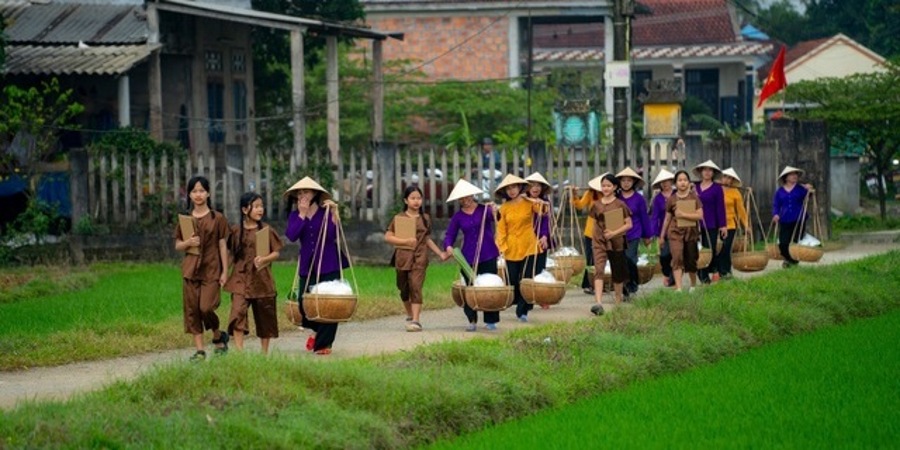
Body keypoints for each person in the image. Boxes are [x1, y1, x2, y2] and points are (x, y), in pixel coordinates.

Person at [285, 176, 348, 355]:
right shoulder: (294, 216)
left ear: (315, 194)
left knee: (330, 304)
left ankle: (323, 345)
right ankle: (316, 331)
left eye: (306, 192)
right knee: (303, 305)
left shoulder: (326, 212)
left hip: (329, 262)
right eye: (299, 193)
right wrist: (302, 214)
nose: (302, 196)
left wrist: (335, 216)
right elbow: (291, 236)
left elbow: (331, 237)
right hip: (307, 264)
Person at [173, 175, 230, 361]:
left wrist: (224, 271)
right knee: (192, 310)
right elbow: (178, 245)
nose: (198, 195)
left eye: (201, 191)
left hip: (212, 268)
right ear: (189, 195)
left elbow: (222, 245)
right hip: (191, 270)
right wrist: (188, 242)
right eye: (194, 191)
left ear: (208, 193)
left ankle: (217, 333)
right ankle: (200, 351)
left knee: (206, 307)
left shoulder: (217, 218)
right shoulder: (185, 220)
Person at [224, 192, 283, 354]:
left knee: (265, 316)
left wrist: (264, 259)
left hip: (262, 280)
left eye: (261, 206)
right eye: (256, 206)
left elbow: (276, 252)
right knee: (237, 313)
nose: (260, 210)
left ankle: (264, 354)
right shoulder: (236, 231)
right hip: (240, 278)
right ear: (245, 210)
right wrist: (223, 273)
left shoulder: (266, 230)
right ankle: (239, 353)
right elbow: (230, 254)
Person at [385, 185, 446, 332]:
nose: (416, 201)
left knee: (416, 286)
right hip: (403, 258)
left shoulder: (425, 218)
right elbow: (388, 236)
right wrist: (405, 242)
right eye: (413, 198)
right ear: (406, 200)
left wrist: (440, 253)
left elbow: (427, 239)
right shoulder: (399, 218)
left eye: (419, 198)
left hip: (420, 257)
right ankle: (410, 314)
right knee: (403, 288)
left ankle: (416, 320)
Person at [443, 179, 501, 331]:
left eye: (467, 197)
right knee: (469, 289)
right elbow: (450, 234)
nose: (465, 201)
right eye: (461, 199)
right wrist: (448, 246)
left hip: (488, 254)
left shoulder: (484, 209)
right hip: (467, 258)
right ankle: (472, 320)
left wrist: (496, 211)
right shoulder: (458, 217)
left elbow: (498, 218)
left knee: (489, 287)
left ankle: (491, 321)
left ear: (472, 195)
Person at [494, 174, 544, 322]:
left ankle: (523, 310)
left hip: (529, 244)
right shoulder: (503, 208)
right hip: (511, 247)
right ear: (505, 192)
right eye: (508, 189)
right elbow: (501, 229)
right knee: (513, 279)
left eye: (514, 187)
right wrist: (501, 246)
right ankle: (519, 302)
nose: (511, 191)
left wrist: (538, 202)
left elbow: (543, 211)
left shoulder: (528, 202)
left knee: (526, 278)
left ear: (520, 187)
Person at [587, 173, 632, 315]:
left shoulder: (620, 204)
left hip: (616, 241)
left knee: (617, 271)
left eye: (608, 185)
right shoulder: (596, 205)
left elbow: (628, 224)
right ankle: (598, 303)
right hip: (599, 240)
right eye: (603, 185)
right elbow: (594, 222)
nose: (605, 188)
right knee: (598, 269)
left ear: (614, 187)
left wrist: (614, 233)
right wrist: (595, 236)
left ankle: (618, 300)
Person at [660, 170, 704, 292]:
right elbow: (667, 218)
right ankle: (679, 288)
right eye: (680, 180)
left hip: (691, 232)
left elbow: (700, 215)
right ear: (675, 183)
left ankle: (693, 285)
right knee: (677, 257)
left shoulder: (694, 197)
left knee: (691, 260)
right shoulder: (671, 199)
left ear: (689, 183)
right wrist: (662, 236)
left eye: (685, 180)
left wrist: (683, 214)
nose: (682, 183)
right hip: (675, 232)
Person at [615, 167, 652, 297]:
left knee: (630, 258)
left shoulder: (639, 199)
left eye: (629, 180)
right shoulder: (616, 198)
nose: (626, 183)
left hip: (634, 233)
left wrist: (647, 235)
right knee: (621, 261)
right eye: (623, 180)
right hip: (617, 234)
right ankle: (624, 288)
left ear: (634, 182)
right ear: (619, 182)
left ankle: (633, 284)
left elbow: (644, 217)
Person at [570, 173, 608, 295]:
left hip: (607, 232)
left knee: (604, 258)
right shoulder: (591, 194)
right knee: (591, 258)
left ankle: (605, 282)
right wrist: (574, 195)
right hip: (591, 232)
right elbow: (579, 205)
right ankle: (589, 284)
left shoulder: (612, 197)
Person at [692, 160, 727, 284]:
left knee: (709, 249)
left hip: (711, 223)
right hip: (694, 223)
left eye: (710, 170)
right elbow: (678, 192)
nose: (707, 172)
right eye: (705, 169)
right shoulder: (693, 187)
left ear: (713, 173)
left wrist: (723, 225)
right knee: (696, 250)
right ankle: (703, 276)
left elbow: (720, 207)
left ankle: (712, 270)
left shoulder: (717, 188)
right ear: (701, 172)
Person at [524, 172, 553, 308]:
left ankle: (542, 297)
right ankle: (527, 296)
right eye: (532, 185)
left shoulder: (545, 203)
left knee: (540, 268)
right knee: (527, 269)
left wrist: (544, 236)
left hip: (541, 238)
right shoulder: (521, 201)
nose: (536, 188)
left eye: (538, 185)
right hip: (524, 239)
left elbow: (547, 222)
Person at [772, 166, 811, 268]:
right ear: (786, 177)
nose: (794, 176)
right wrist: (775, 214)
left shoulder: (801, 189)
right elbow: (776, 205)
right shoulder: (779, 191)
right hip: (784, 219)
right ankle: (789, 259)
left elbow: (809, 195)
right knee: (783, 243)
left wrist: (808, 189)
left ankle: (792, 262)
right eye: (791, 174)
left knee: (795, 242)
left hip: (799, 219)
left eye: (796, 174)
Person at [717, 168, 748, 279]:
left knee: (726, 248)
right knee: (717, 248)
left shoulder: (735, 192)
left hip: (730, 224)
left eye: (730, 178)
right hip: (717, 224)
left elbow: (741, 210)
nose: (727, 179)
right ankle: (719, 270)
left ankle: (726, 271)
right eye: (725, 176)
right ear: (721, 178)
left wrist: (746, 225)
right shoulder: (716, 190)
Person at [649, 169, 676, 287]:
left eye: (667, 181)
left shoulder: (677, 194)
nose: (665, 184)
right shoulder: (658, 199)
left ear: (671, 181)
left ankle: (674, 278)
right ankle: (666, 272)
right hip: (663, 231)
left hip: (677, 229)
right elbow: (654, 217)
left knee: (676, 254)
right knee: (665, 255)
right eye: (662, 182)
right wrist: (652, 233)